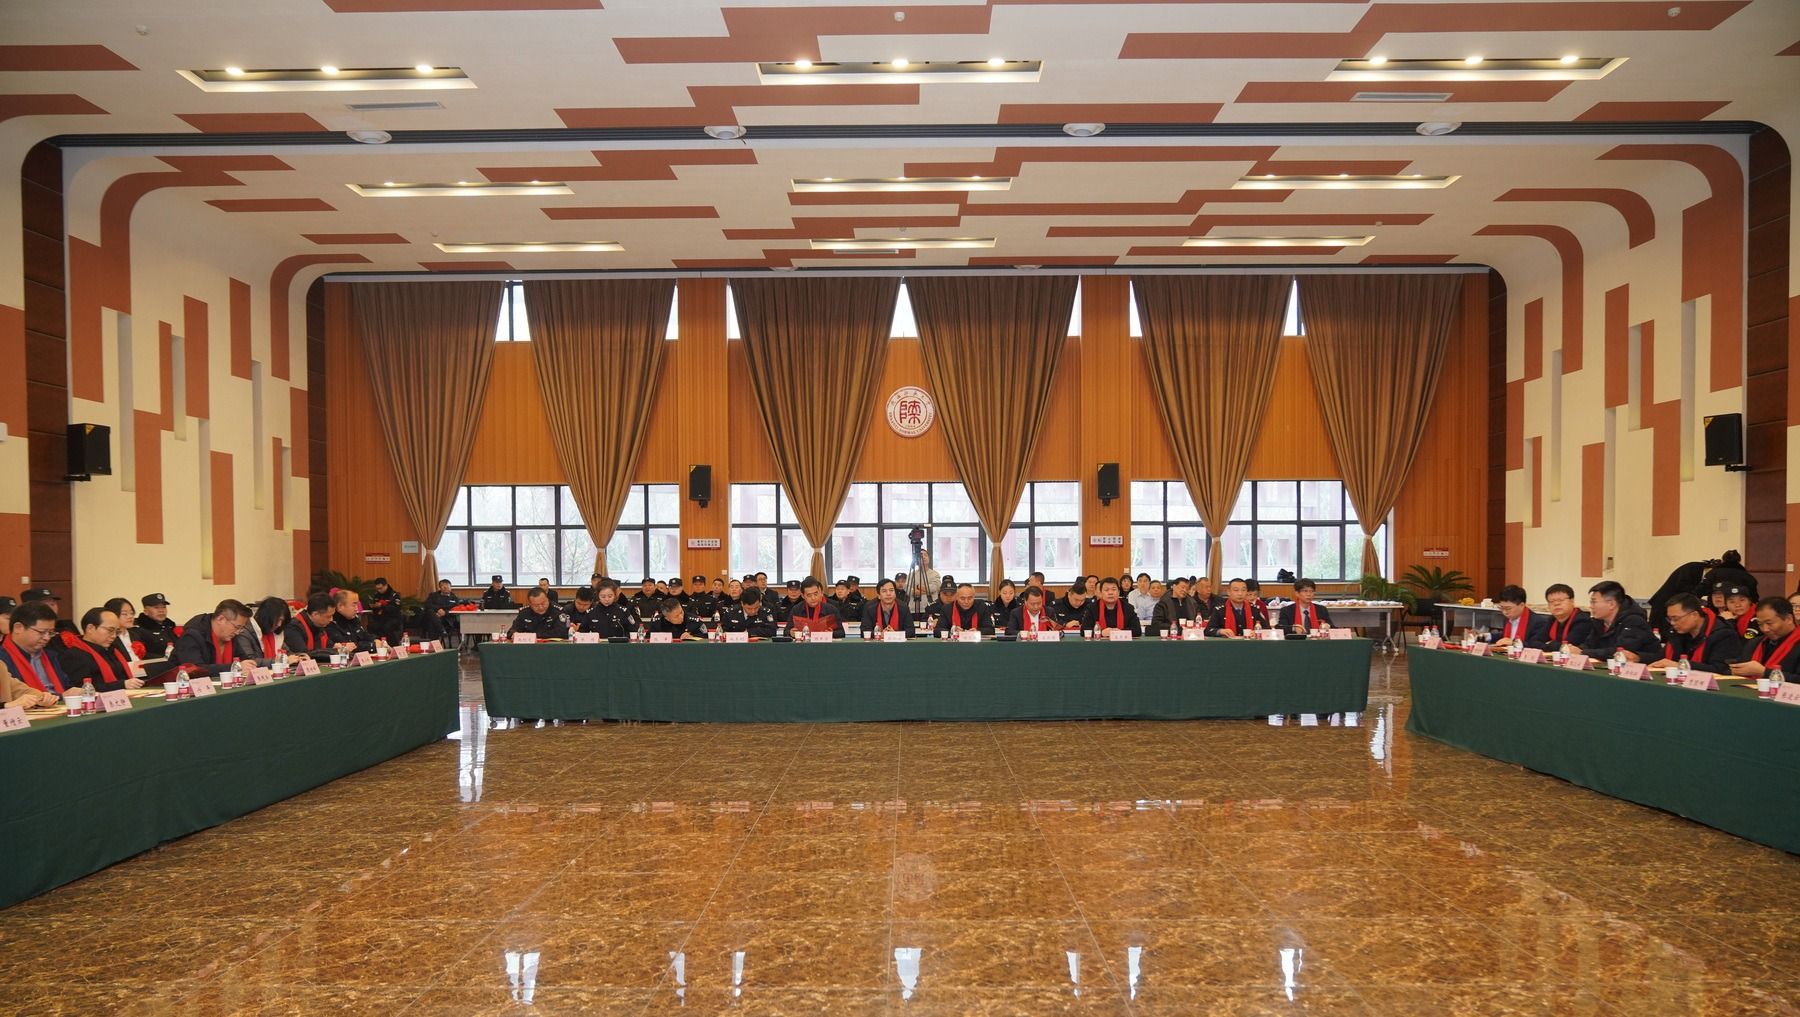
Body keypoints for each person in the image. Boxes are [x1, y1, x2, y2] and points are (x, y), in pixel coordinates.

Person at [56, 606, 142, 692]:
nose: (114, 636)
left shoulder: (113, 650)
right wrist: (122, 685)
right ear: (90, 628)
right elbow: (81, 689)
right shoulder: (74, 655)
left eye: (117, 631)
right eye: (110, 630)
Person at [1570, 581, 1661, 662]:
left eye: (1594, 602)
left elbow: (1620, 652)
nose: (1591, 606)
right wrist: (1575, 650)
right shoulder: (1599, 621)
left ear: (1611, 604)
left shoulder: (1634, 621)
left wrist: (1583, 652)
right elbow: (1589, 644)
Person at [1648, 594, 1735, 675]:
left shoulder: (1723, 635)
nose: (1672, 623)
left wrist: (1680, 665)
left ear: (1694, 615)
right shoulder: (1677, 633)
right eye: (1669, 619)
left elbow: (1721, 669)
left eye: (1676, 618)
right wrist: (1640, 657)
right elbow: (1660, 658)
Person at [2, 602, 65, 708]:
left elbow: (21, 689)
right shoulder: (3, 658)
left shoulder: (52, 655)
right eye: (41, 632)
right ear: (18, 628)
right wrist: (6, 706)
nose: (47, 638)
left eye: (50, 633)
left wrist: (44, 697)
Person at [173, 599, 253, 677]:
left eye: (241, 628)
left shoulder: (230, 635)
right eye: (237, 627)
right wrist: (234, 668)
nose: (238, 632)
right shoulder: (191, 635)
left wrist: (249, 665)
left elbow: (242, 659)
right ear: (220, 619)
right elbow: (195, 670)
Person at [1728, 597, 1800, 679]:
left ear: (1789, 619)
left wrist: (1764, 672)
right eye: (1760, 624)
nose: (1765, 629)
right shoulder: (1754, 644)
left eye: (1769, 623)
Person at [1530, 584, 1593, 652]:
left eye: (1561, 600)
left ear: (1572, 601)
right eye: (1552, 601)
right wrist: (1554, 646)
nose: (1556, 604)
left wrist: (1549, 644)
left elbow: (1567, 647)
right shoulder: (1552, 619)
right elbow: (1533, 642)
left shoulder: (1583, 620)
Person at [1489, 585, 1547, 651]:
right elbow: (1505, 637)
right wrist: (1487, 636)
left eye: (1508, 608)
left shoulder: (1538, 622)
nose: (1504, 612)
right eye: (1501, 608)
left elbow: (1536, 646)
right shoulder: (1508, 618)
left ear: (1522, 605)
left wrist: (1513, 642)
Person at [243, 597, 299, 661]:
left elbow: (288, 653)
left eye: (282, 621)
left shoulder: (274, 633)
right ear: (266, 617)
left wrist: (299, 657)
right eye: (278, 620)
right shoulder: (245, 632)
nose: (279, 624)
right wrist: (282, 661)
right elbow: (251, 661)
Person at [135, 592, 179, 657]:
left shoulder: (169, 626)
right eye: (156, 607)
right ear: (146, 611)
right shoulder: (138, 629)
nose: (161, 610)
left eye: (164, 607)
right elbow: (141, 654)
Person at [1719, 584, 1760, 648]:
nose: (1738, 605)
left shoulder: (1757, 619)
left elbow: (1743, 645)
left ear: (1750, 601)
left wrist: (1730, 622)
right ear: (1726, 605)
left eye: (1742, 600)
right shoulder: (1727, 617)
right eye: (1732, 602)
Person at [422, 579, 462, 643]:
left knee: (432, 621)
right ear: (440, 588)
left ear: (450, 587)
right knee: (430, 612)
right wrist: (438, 609)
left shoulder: (454, 598)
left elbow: (456, 609)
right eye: (443, 586)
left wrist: (445, 612)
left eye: (447, 586)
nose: (445, 587)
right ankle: (441, 630)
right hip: (435, 616)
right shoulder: (433, 595)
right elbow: (427, 604)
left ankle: (434, 642)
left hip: (447, 619)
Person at [366, 577, 405, 644]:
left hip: (392, 618)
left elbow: (396, 608)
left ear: (386, 585)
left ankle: (394, 645)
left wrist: (383, 606)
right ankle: (377, 644)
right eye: (377, 589)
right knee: (371, 627)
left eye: (380, 588)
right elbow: (374, 606)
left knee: (387, 627)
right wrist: (373, 606)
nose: (379, 590)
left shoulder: (394, 595)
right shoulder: (376, 595)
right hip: (379, 618)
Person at [907, 550, 942, 615]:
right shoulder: (911, 575)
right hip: (914, 609)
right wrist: (914, 591)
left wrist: (918, 587)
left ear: (929, 558)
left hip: (931, 608)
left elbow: (935, 588)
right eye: (920, 556)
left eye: (925, 555)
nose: (923, 557)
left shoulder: (935, 574)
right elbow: (907, 589)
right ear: (916, 560)